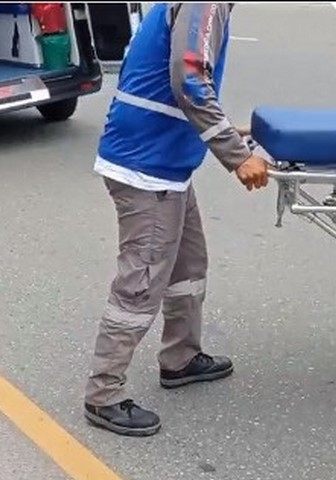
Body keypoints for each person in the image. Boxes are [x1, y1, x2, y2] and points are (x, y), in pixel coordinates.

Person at [82, 2, 269, 436]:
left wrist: (232, 129)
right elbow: (189, 81)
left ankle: (181, 357)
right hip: (147, 166)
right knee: (141, 283)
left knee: (188, 267)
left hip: (164, 162)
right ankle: (103, 394)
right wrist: (237, 156)